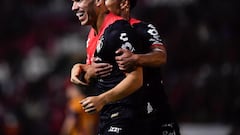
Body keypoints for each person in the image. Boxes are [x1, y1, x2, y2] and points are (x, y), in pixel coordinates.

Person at [71, 0, 181, 134]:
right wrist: (85, 69)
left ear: (124, 3)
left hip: (155, 113)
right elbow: (98, 71)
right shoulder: (98, 33)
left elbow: (161, 56)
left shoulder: (142, 28)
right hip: (124, 111)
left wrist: (136, 58)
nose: (104, 2)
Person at [70, 0, 144, 134]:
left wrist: (103, 99)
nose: (74, 7)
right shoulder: (92, 34)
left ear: (98, 1)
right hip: (107, 117)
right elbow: (96, 78)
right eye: (73, 2)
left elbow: (136, 79)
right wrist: (82, 69)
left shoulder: (118, 29)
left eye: (79, 0)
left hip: (126, 116)